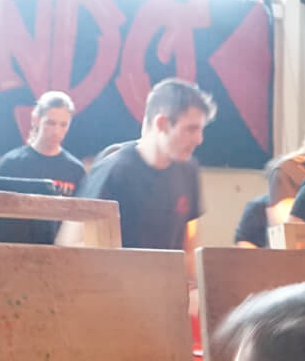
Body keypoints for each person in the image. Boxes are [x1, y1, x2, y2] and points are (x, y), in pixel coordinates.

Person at [69, 79, 215, 276]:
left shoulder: (189, 170)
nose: (199, 139)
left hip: (168, 290)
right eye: (191, 129)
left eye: (200, 129)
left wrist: (193, 285)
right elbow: (71, 242)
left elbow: (189, 244)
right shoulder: (115, 169)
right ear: (162, 123)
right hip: (117, 289)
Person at [0, 90, 86, 196]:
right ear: (36, 120)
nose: (56, 131)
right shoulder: (11, 164)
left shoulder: (76, 171)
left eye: (63, 125)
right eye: (50, 123)